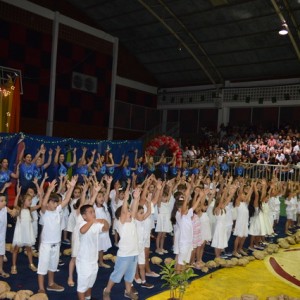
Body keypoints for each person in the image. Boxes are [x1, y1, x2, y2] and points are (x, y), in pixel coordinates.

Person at [37, 176, 77, 293]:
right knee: (43, 266)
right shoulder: (44, 212)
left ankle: (51, 283)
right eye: (53, 202)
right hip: (46, 244)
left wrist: (71, 187)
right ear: (48, 203)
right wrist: (49, 190)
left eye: (56, 203)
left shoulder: (58, 210)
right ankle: (41, 288)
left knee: (53, 265)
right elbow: (43, 204)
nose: (56, 204)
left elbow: (66, 199)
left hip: (56, 244)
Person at [103, 182, 139, 300]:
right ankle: (107, 290)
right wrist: (125, 201)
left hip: (134, 253)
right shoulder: (120, 223)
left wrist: (136, 198)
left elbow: (134, 209)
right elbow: (124, 211)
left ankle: (128, 291)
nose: (130, 213)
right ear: (120, 216)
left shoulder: (131, 221)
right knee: (117, 274)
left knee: (130, 275)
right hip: (124, 254)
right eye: (127, 212)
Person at [76, 204, 109, 300]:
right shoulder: (82, 224)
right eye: (90, 212)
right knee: (82, 286)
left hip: (93, 260)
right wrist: (92, 221)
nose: (93, 213)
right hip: (84, 261)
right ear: (84, 216)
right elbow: (82, 231)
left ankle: (88, 298)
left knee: (90, 283)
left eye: (93, 211)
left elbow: (106, 228)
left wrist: (104, 221)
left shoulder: (95, 225)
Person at [11, 185, 41, 275]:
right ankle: (13, 265)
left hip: (28, 232)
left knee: (29, 249)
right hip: (20, 233)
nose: (31, 202)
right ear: (23, 201)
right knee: (16, 249)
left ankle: (31, 264)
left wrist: (41, 195)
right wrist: (18, 194)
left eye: (31, 200)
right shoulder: (19, 210)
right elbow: (15, 205)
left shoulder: (30, 209)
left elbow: (39, 205)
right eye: (29, 200)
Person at [0, 193, 16, 278]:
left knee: (1, 254)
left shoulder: (5, 209)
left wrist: (14, 211)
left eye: (5, 200)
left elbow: (13, 212)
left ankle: (1, 269)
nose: (4, 202)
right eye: (1, 201)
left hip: (2, 237)